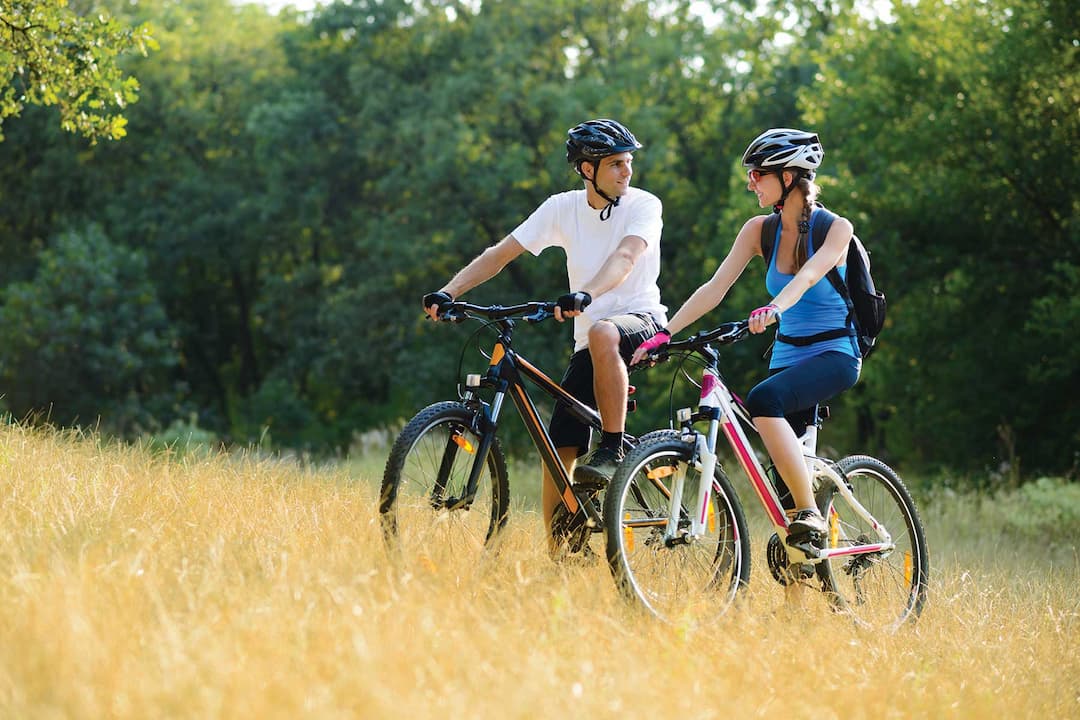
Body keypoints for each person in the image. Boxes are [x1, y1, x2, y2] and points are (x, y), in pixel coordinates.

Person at [423, 118, 667, 548]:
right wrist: (448, 291)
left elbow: (627, 256)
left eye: (628, 162)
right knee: (559, 451)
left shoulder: (644, 205)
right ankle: (561, 557)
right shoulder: (562, 208)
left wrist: (585, 294)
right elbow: (501, 254)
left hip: (640, 322)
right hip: (590, 337)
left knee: (603, 333)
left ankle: (610, 450)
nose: (626, 171)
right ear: (587, 170)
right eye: (615, 164)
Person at [631, 128, 860, 548]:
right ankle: (804, 552)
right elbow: (714, 289)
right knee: (786, 489)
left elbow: (808, 277)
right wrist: (663, 334)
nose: (750, 181)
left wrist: (775, 308)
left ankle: (812, 513)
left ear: (789, 176)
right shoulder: (759, 230)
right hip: (788, 356)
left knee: (762, 402)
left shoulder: (835, 228)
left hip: (835, 353)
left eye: (758, 173)